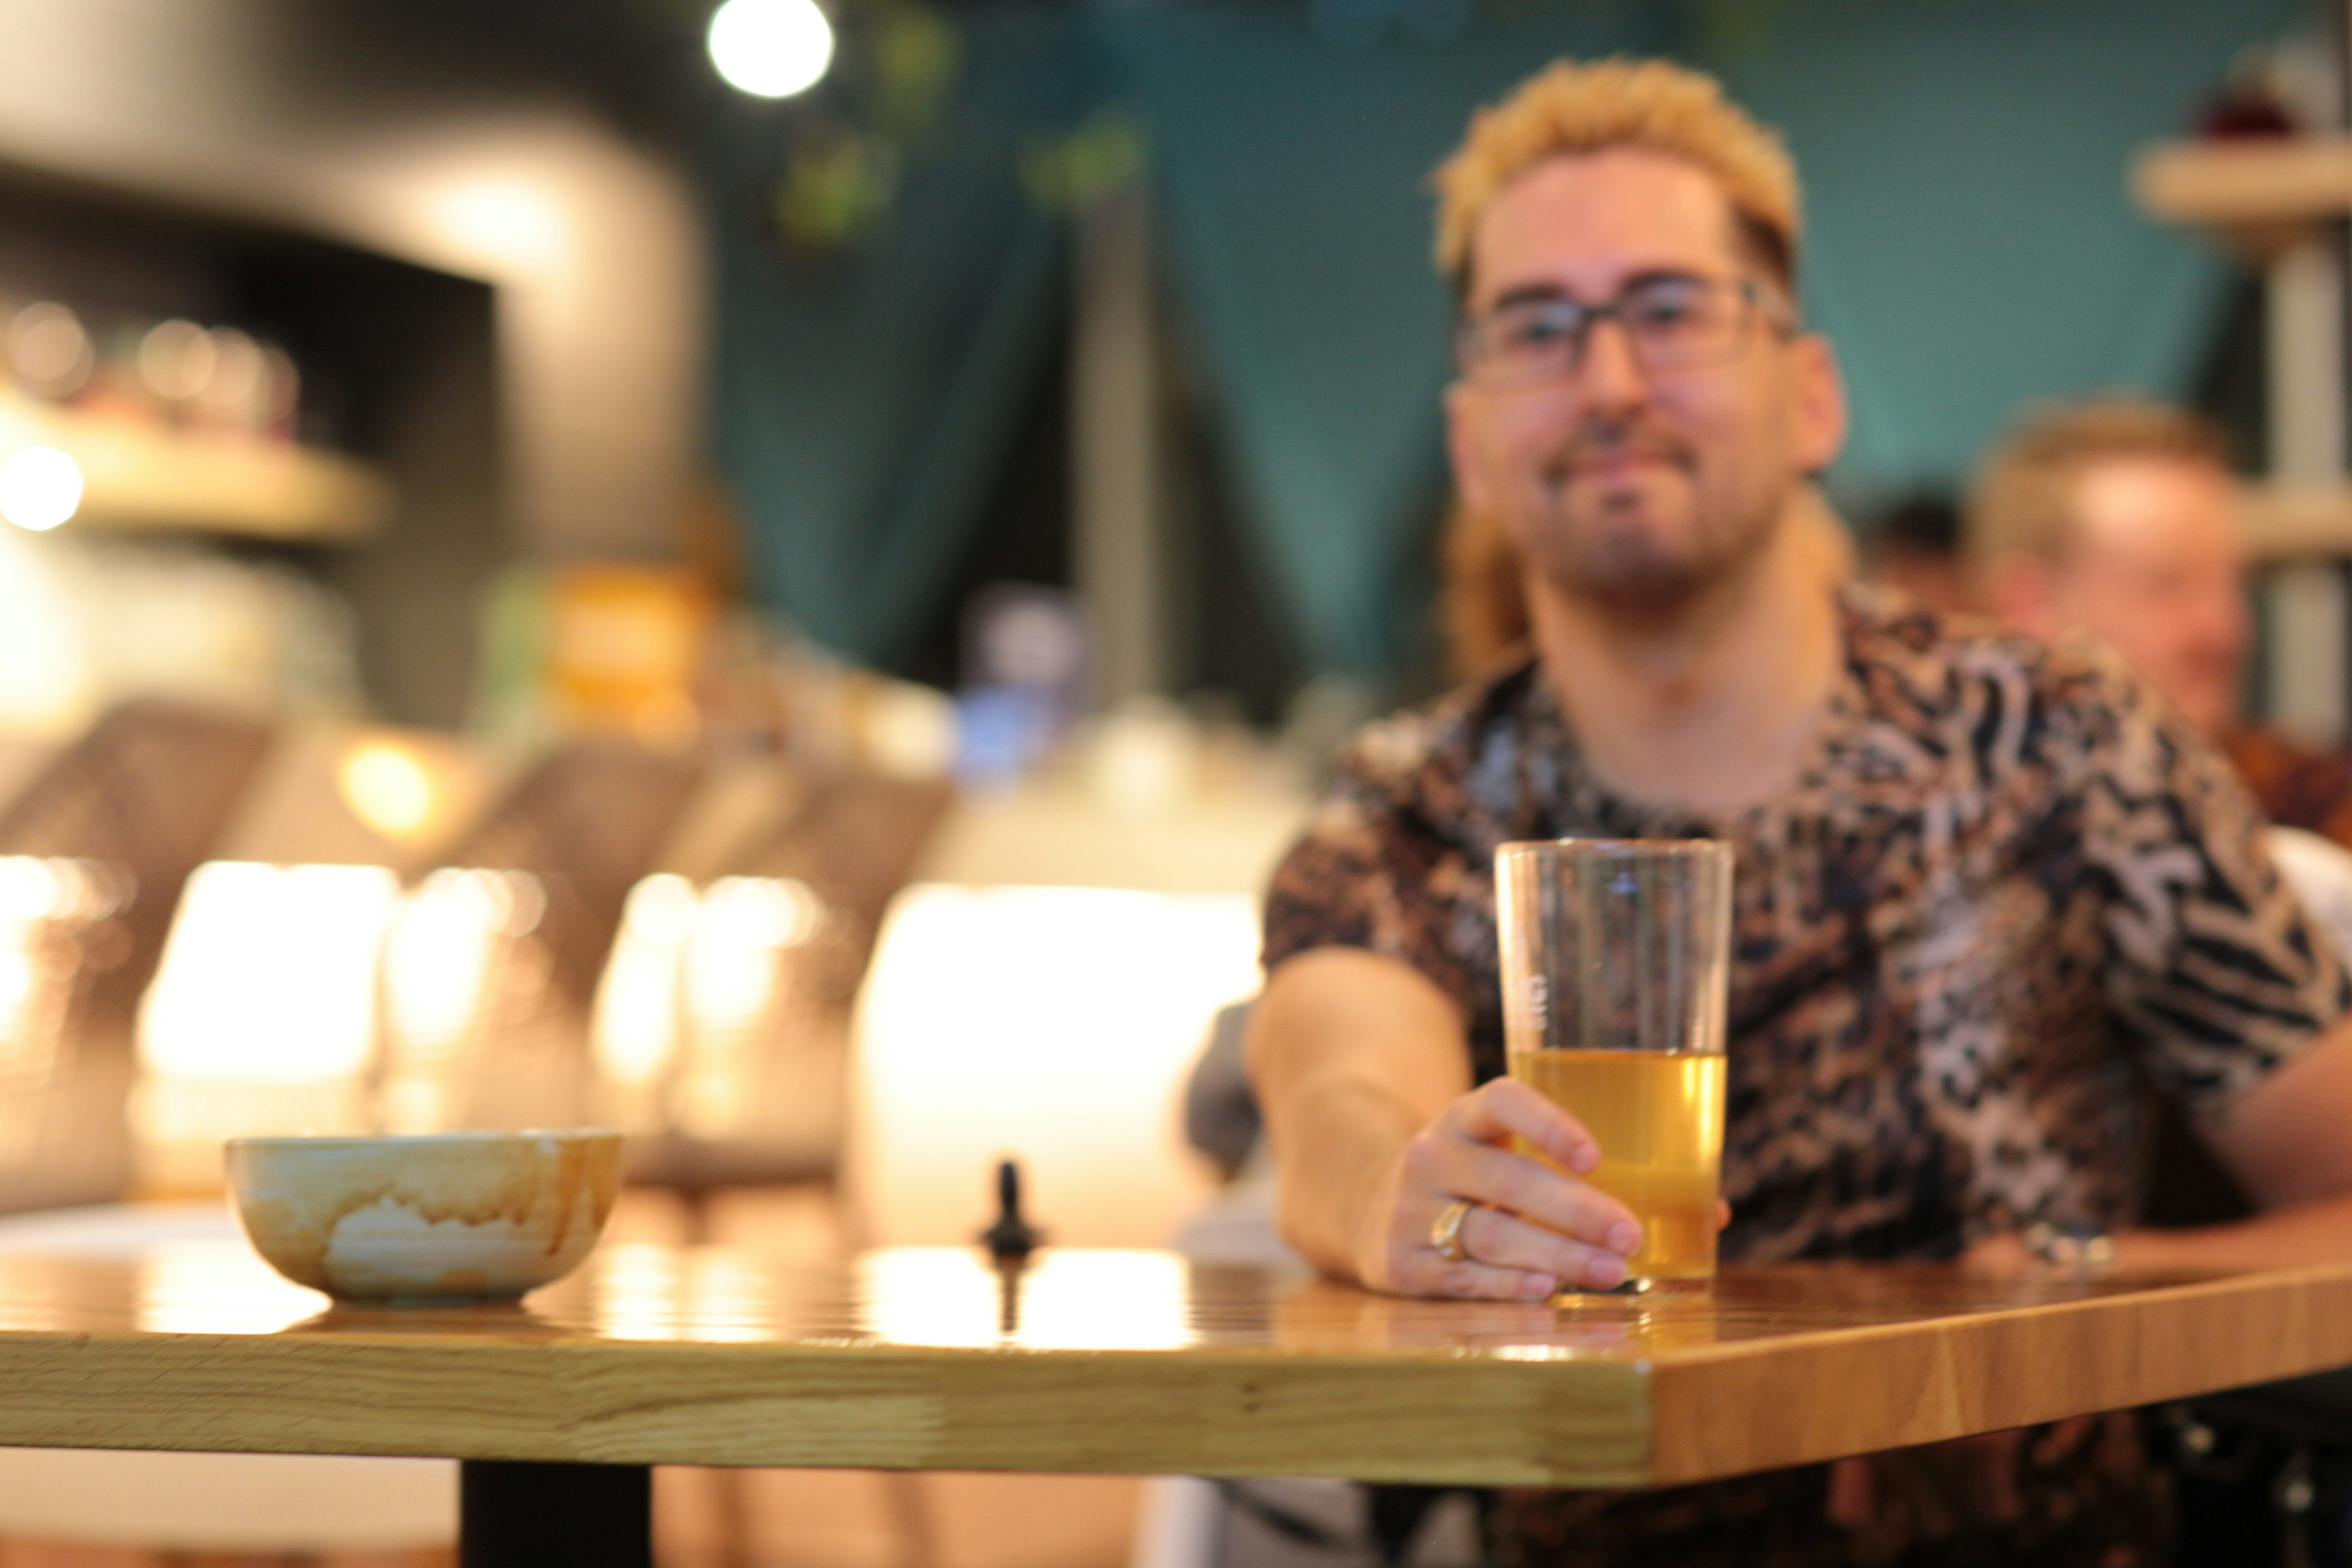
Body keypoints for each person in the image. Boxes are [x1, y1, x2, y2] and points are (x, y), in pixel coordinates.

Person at [1247, 57, 2352, 1566]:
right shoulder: (1414, 807)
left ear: (1811, 392)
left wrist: (2071, 1287)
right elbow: (1333, 1090)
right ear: (1472, 445)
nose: (1613, 382)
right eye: (1538, 328)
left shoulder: (2057, 741)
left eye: (1672, 309)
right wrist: (1398, 1190)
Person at [1970, 398, 2352, 849]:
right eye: (2167, 584)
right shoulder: (1940, 845)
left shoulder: (2307, 804)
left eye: (2233, 584)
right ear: (2028, 605)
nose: (2226, 629)